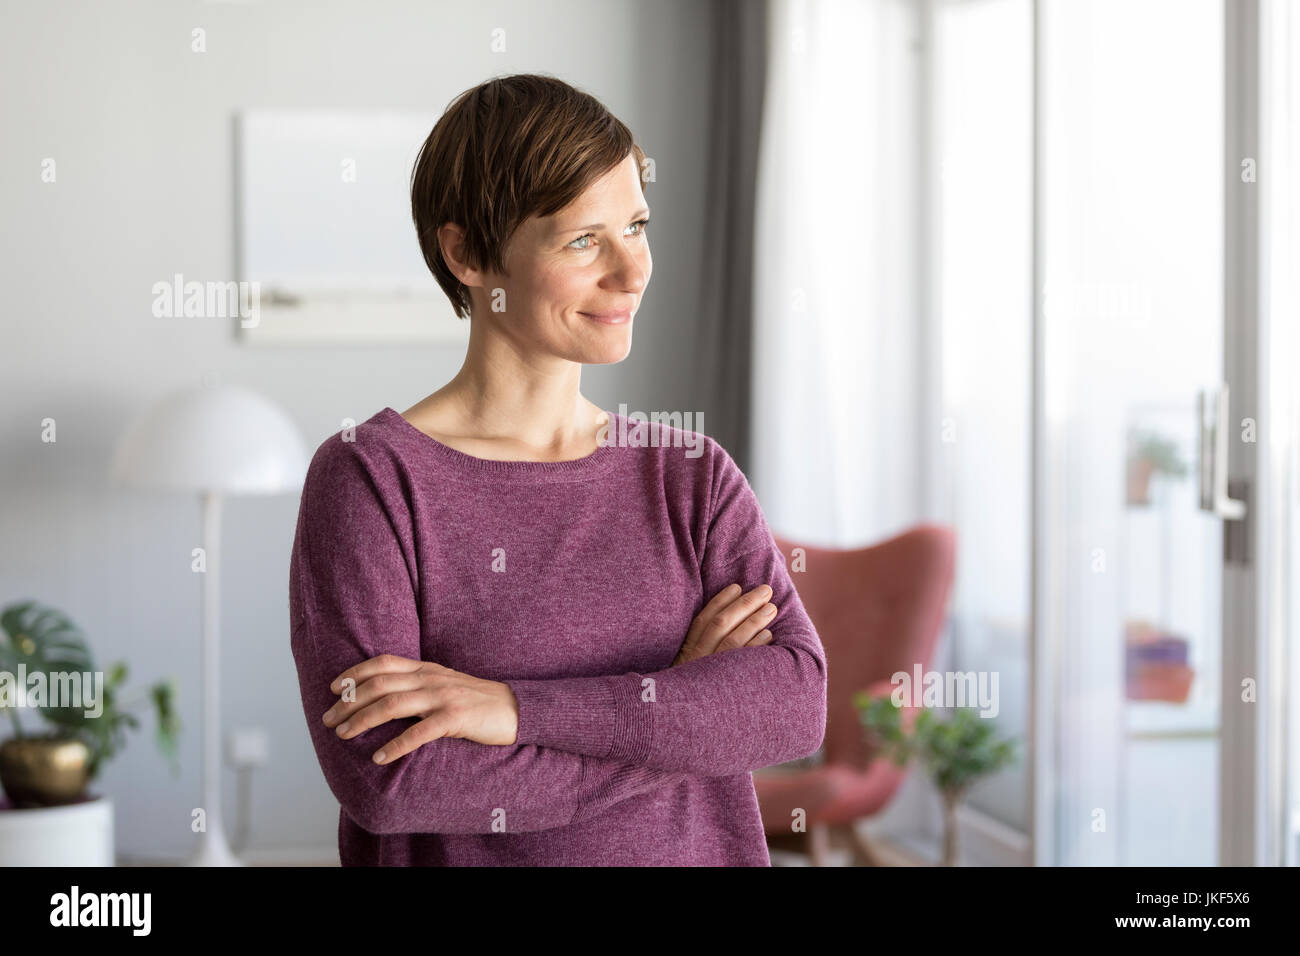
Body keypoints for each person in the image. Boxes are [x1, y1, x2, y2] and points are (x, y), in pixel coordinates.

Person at [288, 72, 827, 866]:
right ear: (467, 253)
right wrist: (677, 710)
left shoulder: (691, 475)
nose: (631, 271)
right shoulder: (372, 482)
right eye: (583, 239)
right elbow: (393, 783)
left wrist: (512, 710)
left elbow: (794, 706)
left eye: (637, 225)